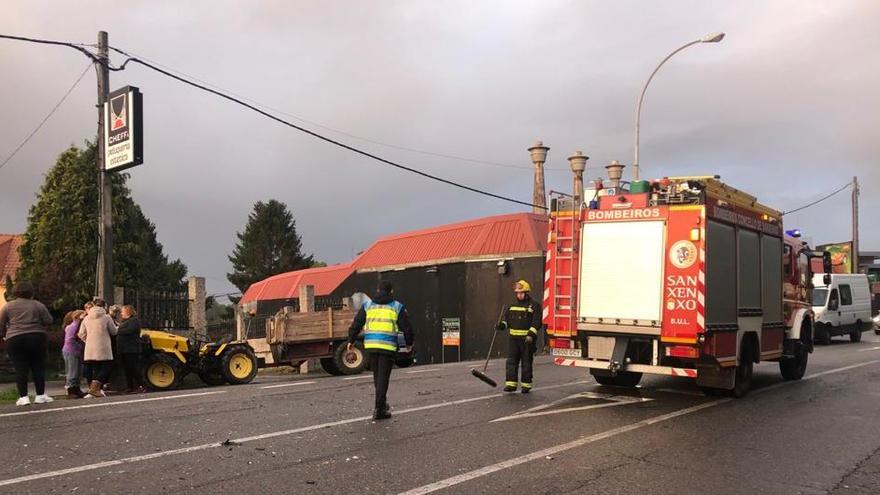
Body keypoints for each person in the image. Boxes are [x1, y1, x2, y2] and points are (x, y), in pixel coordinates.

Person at [347, 281, 414, 420]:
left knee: (378, 377)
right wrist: (409, 343)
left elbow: (357, 323)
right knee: (383, 378)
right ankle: (379, 409)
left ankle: (381, 405)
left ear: (378, 290)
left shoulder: (368, 306)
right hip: (387, 346)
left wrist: (351, 340)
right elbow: (406, 327)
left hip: (371, 345)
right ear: (391, 291)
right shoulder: (397, 306)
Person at [0, 281, 54, 406]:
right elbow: (48, 320)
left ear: (14, 292)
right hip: (36, 337)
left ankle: (23, 397)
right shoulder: (37, 305)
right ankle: (40, 395)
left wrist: (4, 335)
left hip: (15, 338)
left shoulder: (7, 306)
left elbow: (1, 324)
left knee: (20, 368)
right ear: (31, 292)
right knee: (38, 367)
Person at [496, 280, 542, 393]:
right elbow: (507, 321)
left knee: (526, 363)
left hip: (527, 340)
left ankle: (526, 385)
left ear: (527, 293)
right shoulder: (512, 306)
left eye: (521, 293)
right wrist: (501, 325)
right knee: (511, 362)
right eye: (517, 293)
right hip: (513, 339)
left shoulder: (534, 305)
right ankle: (511, 384)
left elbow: (537, 322)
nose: (519, 295)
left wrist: (531, 334)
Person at [77, 298, 118, 398]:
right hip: (104, 346)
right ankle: (94, 388)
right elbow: (113, 332)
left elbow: (81, 333)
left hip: (90, 347)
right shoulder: (107, 317)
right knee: (107, 367)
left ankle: (95, 390)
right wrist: (118, 328)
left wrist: (88, 340)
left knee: (95, 368)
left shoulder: (86, 318)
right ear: (105, 306)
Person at [116, 305, 145, 394]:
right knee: (127, 369)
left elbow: (129, 331)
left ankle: (141, 386)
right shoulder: (126, 321)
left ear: (128, 312)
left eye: (122, 311)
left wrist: (117, 330)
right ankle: (130, 387)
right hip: (124, 349)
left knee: (133, 368)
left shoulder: (134, 321)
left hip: (131, 349)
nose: (121, 313)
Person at [61, 310, 87, 398]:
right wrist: (79, 347)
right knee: (72, 371)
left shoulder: (78, 326)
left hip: (76, 351)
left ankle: (77, 388)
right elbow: (69, 340)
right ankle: (71, 390)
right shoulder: (73, 327)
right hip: (71, 351)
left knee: (77, 371)